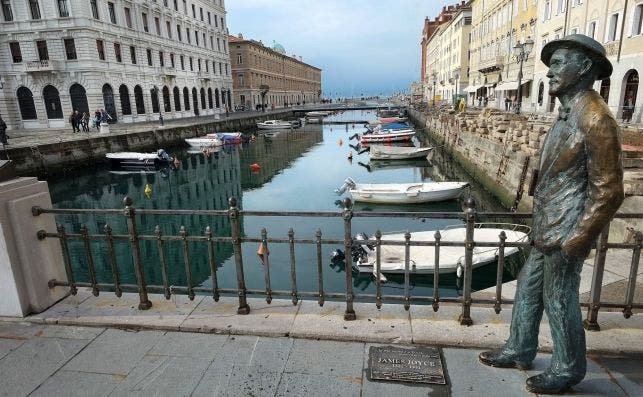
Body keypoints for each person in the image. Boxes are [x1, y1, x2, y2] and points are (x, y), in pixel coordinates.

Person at [478, 34, 624, 394]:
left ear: (584, 67)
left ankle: (567, 368)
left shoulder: (595, 118)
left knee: (559, 298)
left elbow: (609, 190)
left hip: (567, 229)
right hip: (549, 225)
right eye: (550, 64)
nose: (549, 73)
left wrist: (579, 237)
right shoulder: (570, 111)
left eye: (558, 64)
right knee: (528, 288)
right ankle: (519, 349)